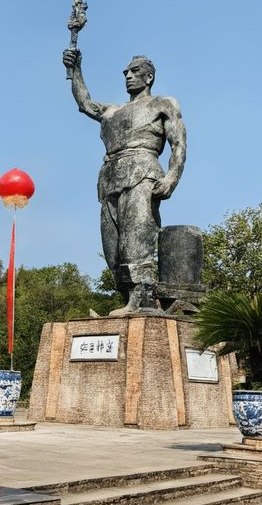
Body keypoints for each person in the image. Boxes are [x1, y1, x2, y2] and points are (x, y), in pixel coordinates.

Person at [62, 48, 186, 314]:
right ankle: (127, 299)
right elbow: (85, 103)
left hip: (142, 171)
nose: (128, 76)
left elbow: (178, 143)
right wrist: (75, 69)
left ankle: (141, 299)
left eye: (134, 71)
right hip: (110, 176)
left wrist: (172, 177)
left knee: (136, 238)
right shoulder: (113, 111)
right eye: (126, 73)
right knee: (112, 246)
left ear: (149, 77)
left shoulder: (163, 104)